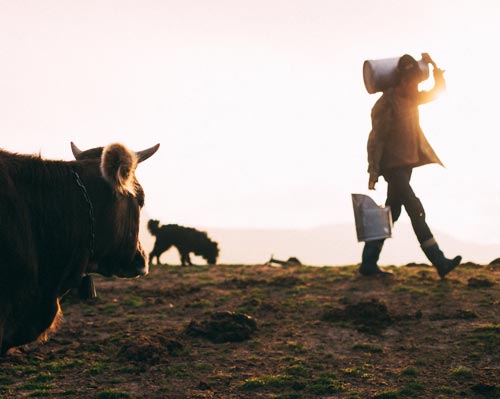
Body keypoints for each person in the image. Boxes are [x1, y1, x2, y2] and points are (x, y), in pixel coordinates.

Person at [360, 52, 461, 278]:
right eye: (412, 82)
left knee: (391, 213)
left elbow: (438, 92)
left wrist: (435, 67)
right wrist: (373, 171)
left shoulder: (412, 97)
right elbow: (376, 139)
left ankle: (368, 263)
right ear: (402, 80)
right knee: (415, 208)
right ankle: (439, 260)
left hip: (406, 165)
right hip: (392, 167)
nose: (415, 87)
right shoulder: (386, 104)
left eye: (417, 83)